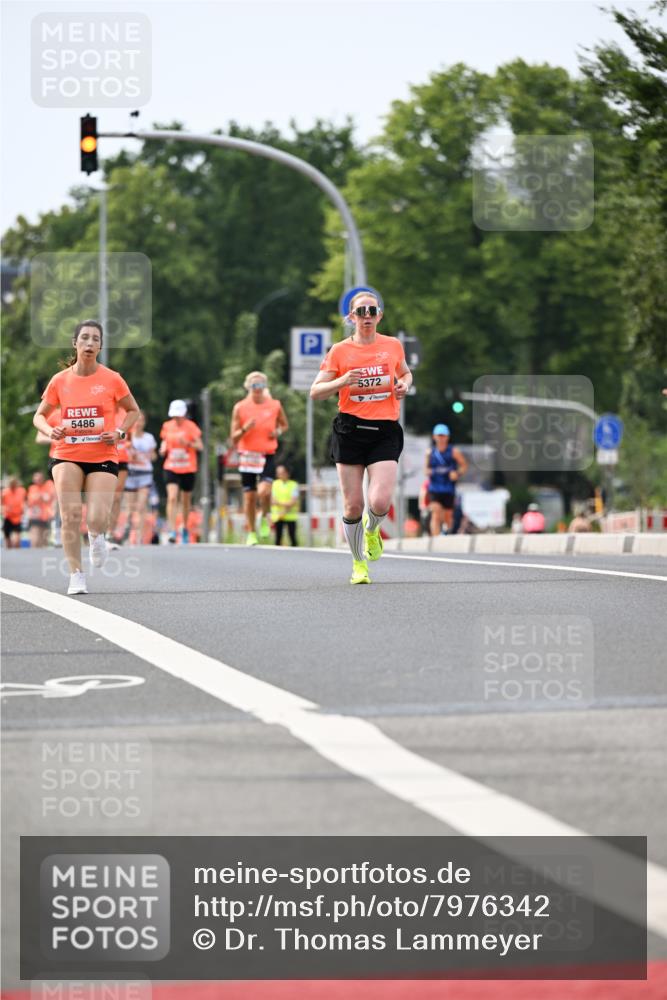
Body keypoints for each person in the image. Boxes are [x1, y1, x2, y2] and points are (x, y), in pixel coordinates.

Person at [310, 290, 412, 584]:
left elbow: (405, 373)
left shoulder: (392, 346)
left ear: (379, 315)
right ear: (351, 317)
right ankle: (358, 565)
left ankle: (372, 531)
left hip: (384, 430)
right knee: (353, 505)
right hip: (350, 430)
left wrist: (403, 384)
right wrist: (342, 381)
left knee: (380, 501)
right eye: (361, 312)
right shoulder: (340, 351)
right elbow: (315, 392)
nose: (366, 316)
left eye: (371, 311)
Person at [33, 320, 139, 595]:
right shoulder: (60, 381)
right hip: (66, 453)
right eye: (85, 338)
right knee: (70, 514)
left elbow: (132, 411)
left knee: (95, 517)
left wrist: (119, 432)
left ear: (101, 346)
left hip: (102, 454)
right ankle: (76, 575)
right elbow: (39, 416)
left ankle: (96, 535)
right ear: (75, 343)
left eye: (95, 339)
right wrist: (50, 430)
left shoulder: (112, 379)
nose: (90, 343)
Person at [230, 371, 288, 546]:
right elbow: (233, 437)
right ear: (248, 387)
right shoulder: (240, 407)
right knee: (249, 497)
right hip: (247, 456)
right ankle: (251, 532)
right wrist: (245, 429)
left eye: (261, 385)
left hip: (266, 454)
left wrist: (277, 431)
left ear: (265, 387)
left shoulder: (275, 405)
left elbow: (284, 425)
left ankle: (264, 515)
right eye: (254, 386)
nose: (258, 389)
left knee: (264, 491)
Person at [159, 399, 202, 544]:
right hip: (171, 466)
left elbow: (200, 446)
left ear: (184, 414)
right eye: (174, 416)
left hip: (188, 467)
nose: (176, 419)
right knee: (172, 497)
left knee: (185, 500)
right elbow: (165, 441)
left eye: (179, 416)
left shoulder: (191, 427)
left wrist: (188, 443)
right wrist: (163, 448)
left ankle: (184, 528)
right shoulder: (167, 426)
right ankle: (172, 530)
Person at [425, 424, 468, 536]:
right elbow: (425, 469)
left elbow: (464, 466)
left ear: (447, 437)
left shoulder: (454, 452)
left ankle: (446, 534)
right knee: (436, 513)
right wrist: (428, 471)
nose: (441, 438)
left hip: (448, 488)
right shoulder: (430, 453)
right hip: (434, 488)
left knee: (448, 516)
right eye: (439, 435)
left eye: (443, 435)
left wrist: (457, 473)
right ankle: (436, 540)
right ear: (434, 437)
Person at [124, 411, 157, 545]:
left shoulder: (149, 438)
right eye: (137, 420)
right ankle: (131, 531)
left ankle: (140, 535)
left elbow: (154, 456)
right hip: (131, 474)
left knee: (141, 505)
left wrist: (149, 456)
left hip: (145, 474)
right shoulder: (126, 436)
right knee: (131, 507)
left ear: (144, 422)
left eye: (141, 420)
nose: (139, 423)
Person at [107, 407, 131, 546]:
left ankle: (110, 531)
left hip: (122, 459)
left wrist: (128, 442)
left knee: (116, 497)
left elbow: (131, 434)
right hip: (106, 457)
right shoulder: (104, 409)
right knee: (104, 495)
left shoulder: (126, 413)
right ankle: (99, 528)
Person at [271, 464, 300, 546]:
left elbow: (293, 501)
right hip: (278, 516)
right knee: (278, 538)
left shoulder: (293, 485)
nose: (280, 475)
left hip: (290, 516)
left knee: (292, 537)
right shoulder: (275, 484)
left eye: (282, 472)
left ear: (287, 473)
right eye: (278, 473)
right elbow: (273, 500)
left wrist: (280, 504)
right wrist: (285, 505)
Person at [26, 471, 56, 548]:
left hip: (46, 516)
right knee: (35, 538)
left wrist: (40, 497)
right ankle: (33, 554)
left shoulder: (49, 485)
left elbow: (49, 498)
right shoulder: (32, 488)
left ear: (42, 478)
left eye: (39, 478)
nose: (37, 480)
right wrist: (41, 497)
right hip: (35, 516)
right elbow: (30, 502)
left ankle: (41, 556)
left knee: (44, 539)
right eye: (36, 478)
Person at [2, 477, 26, 549]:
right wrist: (4, 509)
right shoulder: (4, 492)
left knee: (16, 540)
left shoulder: (21, 491)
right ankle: (9, 553)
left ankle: (17, 553)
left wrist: (23, 509)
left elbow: (24, 502)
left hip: (17, 518)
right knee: (7, 538)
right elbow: (1, 504)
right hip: (8, 517)